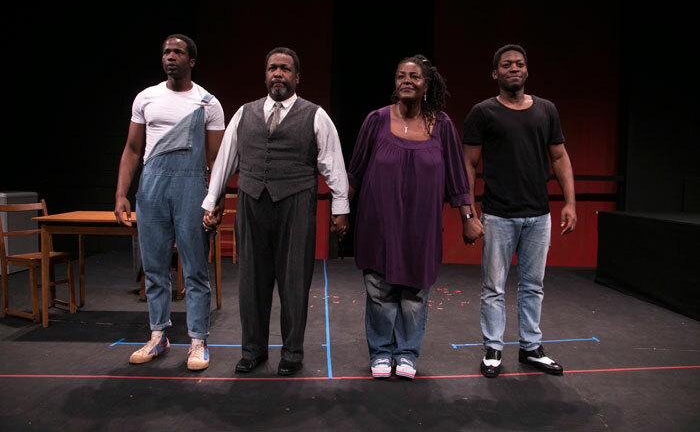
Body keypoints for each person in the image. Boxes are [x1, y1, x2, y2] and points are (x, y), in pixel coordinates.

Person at [202, 47, 349, 376]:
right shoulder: (245, 113)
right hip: (252, 202)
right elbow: (226, 159)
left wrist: (340, 208)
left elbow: (333, 164)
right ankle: (253, 350)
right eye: (272, 68)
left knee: (294, 281)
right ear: (265, 74)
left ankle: (292, 353)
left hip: (296, 203)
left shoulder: (315, 115)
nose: (277, 74)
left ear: (297, 77)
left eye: (284, 69)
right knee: (251, 280)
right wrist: (212, 202)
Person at [348, 55, 483, 379]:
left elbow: (456, 177)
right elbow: (354, 172)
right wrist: (339, 211)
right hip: (379, 223)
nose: (407, 80)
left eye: (414, 76)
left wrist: (468, 216)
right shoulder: (376, 120)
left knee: (415, 293)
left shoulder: (443, 125)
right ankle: (381, 352)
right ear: (395, 83)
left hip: (420, 226)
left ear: (427, 85)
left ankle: (407, 353)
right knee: (379, 290)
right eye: (401, 76)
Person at [463, 44, 577, 378]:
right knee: (494, 287)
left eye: (520, 63)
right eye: (507, 64)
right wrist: (468, 212)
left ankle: (530, 347)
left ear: (527, 71)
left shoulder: (546, 110)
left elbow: (559, 157)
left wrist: (570, 201)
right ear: (495, 73)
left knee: (533, 285)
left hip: (538, 214)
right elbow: (468, 164)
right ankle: (493, 348)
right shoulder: (483, 113)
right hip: (498, 214)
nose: (514, 68)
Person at [114, 34, 225, 371]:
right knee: (155, 269)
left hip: (192, 186)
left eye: (177, 52)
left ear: (191, 60)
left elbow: (219, 158)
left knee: (194, 269)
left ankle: (197, 341)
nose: (170, 56)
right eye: (166, 51)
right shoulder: (146, 98)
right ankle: (158, 335)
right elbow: (133, 150)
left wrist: (216, 200)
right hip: (151, 188)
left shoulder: (208, 102)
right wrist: (121, 193)